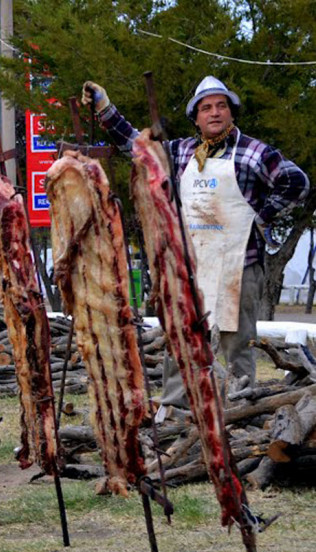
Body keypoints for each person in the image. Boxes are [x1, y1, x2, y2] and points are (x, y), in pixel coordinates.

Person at [83, 75, 309, 403]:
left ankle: (237, 410)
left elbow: (296, 182)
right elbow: (138, 148)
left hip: (239, 265)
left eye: (221, 106)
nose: (214, 113)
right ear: (197, 117)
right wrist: (105, 108)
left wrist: (261, 216)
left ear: (231, 113)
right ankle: (178, 409)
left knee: (236, 343)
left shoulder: (253, 152)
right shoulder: (181, 152)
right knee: (181, 337)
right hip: (190, 266)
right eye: (206, 108)